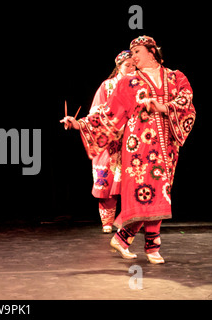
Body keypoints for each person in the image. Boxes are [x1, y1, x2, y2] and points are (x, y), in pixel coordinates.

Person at [61, 36, 195, 264]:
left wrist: (164, 107)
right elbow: (108, 113)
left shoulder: (175, 77)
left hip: (167, 147)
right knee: (147, 193)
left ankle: (124, 239)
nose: (133, 57)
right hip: (139, 149)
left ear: (152, 51)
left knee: (160, 194)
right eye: (132, 53)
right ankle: (152, 248)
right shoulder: (129, 83)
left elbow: (187, 102)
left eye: (137, 52)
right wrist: (79, 124)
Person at [89, 50, 135, 233]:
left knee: (132, 181)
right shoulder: (107, 86)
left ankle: (127, 220)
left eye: (134, 65)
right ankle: (107, 222)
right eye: (128, 65)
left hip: (130, 141)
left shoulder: (139, 86)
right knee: (105, 181)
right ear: (119, 67)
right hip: (108, 141)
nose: (132, 69)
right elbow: (95, 112)